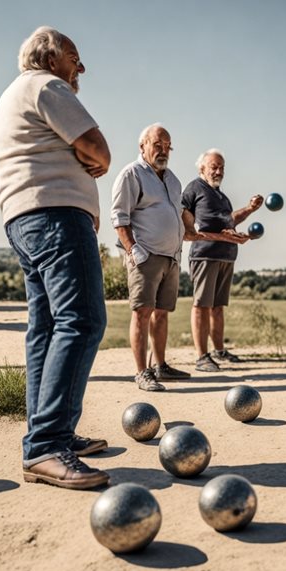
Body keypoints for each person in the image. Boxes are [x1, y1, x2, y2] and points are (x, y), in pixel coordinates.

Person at [0, 26, 111, 489]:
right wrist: (90, 158)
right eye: (75, 57)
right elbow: (99, 149)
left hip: (24, 220)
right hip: (56, 215)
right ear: (50, 56)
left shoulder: (12, 95)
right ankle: (47, 444)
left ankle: (47, 437)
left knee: (46, 327)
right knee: (81, 320)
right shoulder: (47, 85)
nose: (81, 68)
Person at [111, 124, 189, 391]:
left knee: (162, 313)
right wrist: (133, 249)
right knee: (142, 313)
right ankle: (142, 372)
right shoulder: (132, 174)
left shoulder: (173, 180)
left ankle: (161, 366)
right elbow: (119, 217)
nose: (163, 150)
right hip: (145, 256)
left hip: (170, 257)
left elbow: (179, 218)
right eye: (158, 145)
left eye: (168, 146)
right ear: (142, 146)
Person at [181, 149, 260, 371]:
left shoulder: (221, 196)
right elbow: (184, 215)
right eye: (214, 166)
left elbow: (229, 220)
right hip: (204, 255)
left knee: (217, 307)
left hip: (226, 255)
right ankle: (201, 356)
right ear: (202, 168)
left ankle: (218, 350)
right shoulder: (195, 188)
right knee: (202, 306)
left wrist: (250, 209)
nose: (218, 171)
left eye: (221, 167)